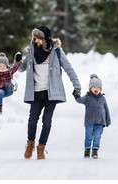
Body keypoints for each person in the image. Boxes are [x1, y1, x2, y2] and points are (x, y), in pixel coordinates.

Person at [19, 25, 81, 159]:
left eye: (39, 39)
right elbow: (21, 68)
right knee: (32, 120)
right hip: (35, 92)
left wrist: (77, 86)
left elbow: (69, 69)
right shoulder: (31, 51)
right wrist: (17, 61)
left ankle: (41, 147)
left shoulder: (57, 51)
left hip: (51, 93)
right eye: (35, 38)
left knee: (46, 121)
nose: (36, 41)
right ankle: (30, 144)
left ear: (45, 39)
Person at [74, 74, 111, 159]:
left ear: (100, 89)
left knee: (97, 136)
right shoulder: (87, 97)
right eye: (94, 87)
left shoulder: (103, 98)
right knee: (88, 136)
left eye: (98, 87)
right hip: (89, 121)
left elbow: (106, 109)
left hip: (100, 122)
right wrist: (76, 95)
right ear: (90, 88)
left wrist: (108, 120)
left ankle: (95, 150)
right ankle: (87, 150)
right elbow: (80, 100)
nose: (96, 89)